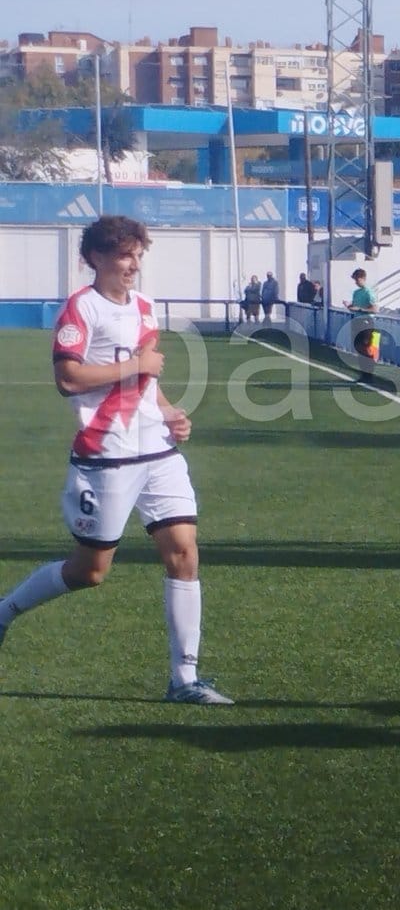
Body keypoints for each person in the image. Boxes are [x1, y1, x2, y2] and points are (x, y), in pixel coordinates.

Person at [0, 215, 232, 705]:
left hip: (157, 451)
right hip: (106, 455)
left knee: (184, 552)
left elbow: (147, 383)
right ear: (96, 258)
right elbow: (69, 379)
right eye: (125, 255)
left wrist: (169, 413)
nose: (134, 264)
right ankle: (5, 610)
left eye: (138, 254)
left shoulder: (145, 307)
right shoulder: (80, 310)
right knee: (90, 571)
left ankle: (184, 680)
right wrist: (136, 365)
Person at [347, 267, 378, 382]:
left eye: (357, 279)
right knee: (358, 348)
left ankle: (369, 374)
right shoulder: (356, 293)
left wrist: (360, 309)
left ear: (363, 278)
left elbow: (375, 309)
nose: (355, 282)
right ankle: (363, 373)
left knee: (366, 348)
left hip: (366, 322)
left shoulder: (369, 292)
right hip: (357, 321)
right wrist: (349, 306)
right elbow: (354, 307)